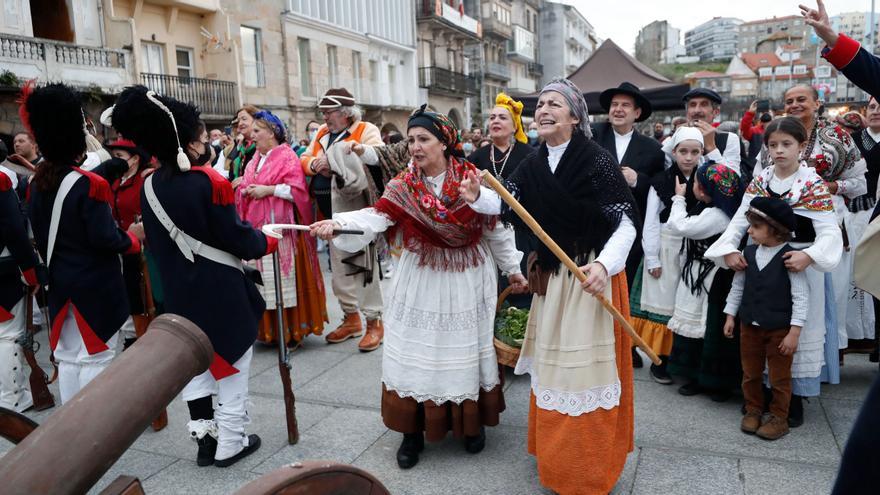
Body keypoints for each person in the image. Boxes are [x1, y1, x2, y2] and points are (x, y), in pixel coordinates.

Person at [310, 105, 526, 469]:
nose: (415, 147)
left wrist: (514, 269)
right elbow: (376, 217)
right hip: (421, 276)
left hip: (467, 276)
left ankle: (470, 425)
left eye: (423, 139)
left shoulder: (472, 179)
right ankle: (412, 432)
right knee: (416, 350)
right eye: (410, 140)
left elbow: (496, 227)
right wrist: (338, 224)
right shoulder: (403, 185)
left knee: (464, 349)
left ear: (444, 142)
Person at [462, 77, 638, 495]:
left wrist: (604, 265)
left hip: (590, 279)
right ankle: (558, 463)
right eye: (540, 104)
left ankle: (590, 469)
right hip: (554, 283)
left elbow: (626, 222)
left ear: (575, 116)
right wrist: (475, 196)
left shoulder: (596, 160)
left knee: (585, 377)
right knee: (554, 372)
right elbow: (507, 202)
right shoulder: (534, 162)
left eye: (554, 103)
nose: (543, 110)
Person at [111, 85, 278, 467]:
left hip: (179, 295)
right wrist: (266, 240)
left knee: (195, 367)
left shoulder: (149, 185)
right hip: (219, 289)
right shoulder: (209, 182)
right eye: (201, 138)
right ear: (187, 143)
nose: (206, 144)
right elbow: (237, 238)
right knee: (233, 363)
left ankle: (205, 441)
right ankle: (232, 442)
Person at [706, 116, 843, 428]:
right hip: (764, 261)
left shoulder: (812, 184)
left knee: (793, 335)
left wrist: (809, 255)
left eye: (786, 144)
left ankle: (791, 400)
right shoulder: (759, 181)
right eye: (773, 145)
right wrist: (728, 249)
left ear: (802, 146)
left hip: (797, 263)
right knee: (759, 335)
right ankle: (759, 399)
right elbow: (741, 220)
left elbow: (830, 232)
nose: (779, 151)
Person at [23, 83, 141, 404]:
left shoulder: (36, 182)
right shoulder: (90, 184)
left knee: (70, 356)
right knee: (96, 356)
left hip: (61, 282)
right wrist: (133, 240)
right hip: (94, 284)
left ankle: (70, 428)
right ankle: (92, 429)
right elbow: (105, 238)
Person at [757, 84, 866, 365]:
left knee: (829, 292)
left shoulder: (837, 135)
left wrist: (829, 185)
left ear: (817, 103)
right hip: (783, 227)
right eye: (789, 100)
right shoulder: (777, 135)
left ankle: (825, 360)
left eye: (801, 99)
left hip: (828, 220)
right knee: (790, 294)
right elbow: (760, 180)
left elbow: (860, 183)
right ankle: (786, 358)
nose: (794, 104)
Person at [299, 88, 386, 352]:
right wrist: (316, 165)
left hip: (355, 211)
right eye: (323, 113)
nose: (325, 118)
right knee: (338, 273)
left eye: (330, 112)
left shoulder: (365, 129)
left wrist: (338, 161)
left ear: (346, 113)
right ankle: (351, 319)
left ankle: (374, 321)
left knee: (362, 268)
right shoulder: (323, 133)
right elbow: (304, 158)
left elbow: (377, 156)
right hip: (328, 213)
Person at [236, 110, 327, 347]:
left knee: (283, 280)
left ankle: (291, 332)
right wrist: (244, 189)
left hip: (282, 231)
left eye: (257, 131)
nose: (252, 136)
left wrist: (269, 190)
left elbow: (297, 191)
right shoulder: (255, 158)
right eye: (252, 131)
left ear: (272, 132)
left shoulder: (286, 156)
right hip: (258, 229)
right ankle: (270, 332)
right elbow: (248, 183)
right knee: (264, 282)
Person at [723, 197, 808, 440]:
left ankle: (779, 417)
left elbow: (801, 297)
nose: (749, 231)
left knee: (780, 376)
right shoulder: (748, 252)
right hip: (749, 325)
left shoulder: (791, 257)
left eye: (756, 227)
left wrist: (795, 331)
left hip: (780, 329)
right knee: (750, 372)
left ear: (776, 230)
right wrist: (730, 315)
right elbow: (738, 287)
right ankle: (753, 410)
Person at [665, 162, 744, 402]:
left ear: (706, 188)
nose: (694, 186)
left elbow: (680, 226)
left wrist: (678, 199)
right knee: (696, 322)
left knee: (709, 326)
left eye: (698, 182)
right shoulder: (710, 206)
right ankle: (695, 375)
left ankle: (715, 381)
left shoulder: (717, 215)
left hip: (711, 276)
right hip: (699, 273)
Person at [631, 127, 703, 385]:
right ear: (674, 152)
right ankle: (660, 359)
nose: (688, 157)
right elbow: (650, 221)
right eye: (683, 151)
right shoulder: (660, 181)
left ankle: (681, 359)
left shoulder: (703, 178)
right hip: (665, 246)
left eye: (695, 152)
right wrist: (652, 258)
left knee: (683, 306)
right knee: (662, 305)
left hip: (692, 250)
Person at [467, 93, 538, 308]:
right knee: (491, 284)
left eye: (502, 117)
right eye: (492, 117)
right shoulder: (476, 157)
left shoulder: (530, 155)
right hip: (486, 231)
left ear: (515, 125)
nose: (496, 121)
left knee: (521, 283)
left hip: (521, 229)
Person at [0, 155, 41, 412]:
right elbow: (13, 228)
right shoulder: (1, 179)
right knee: (8, 336)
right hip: (4, 266)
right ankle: (11, 397)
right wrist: (30, 269)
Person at [104, 138, 153, 349]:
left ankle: (145, 336)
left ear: (134, 160)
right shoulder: (113, 181)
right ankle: (131, 337)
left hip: (144, 249)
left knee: (142, 294)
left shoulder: (144, 181)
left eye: (119, 157)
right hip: (120, 247)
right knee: (125, 291)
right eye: (113, 156)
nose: (115, 161)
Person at [841, 97, 879, 354]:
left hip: (879, 213)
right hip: (857, 213)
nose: (876, 111)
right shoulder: (854, 141)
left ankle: (875, 337)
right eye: (873, 107)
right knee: (854, 272)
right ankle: (855, 336)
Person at [664, 88, 742, 176]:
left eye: (704, 104)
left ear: (715, 112)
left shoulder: (729, 139)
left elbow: (733, 180)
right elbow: (667, 176)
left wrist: (711, 148)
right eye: (692, 105)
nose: (697, 110)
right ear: (687, 112)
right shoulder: (671, 140)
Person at [224, 105, 260, 184]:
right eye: (238, 121)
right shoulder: (241, 147)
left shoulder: (262, 147)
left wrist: (245, 180)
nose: (240, 123)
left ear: (256, 120)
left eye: (244, 119)